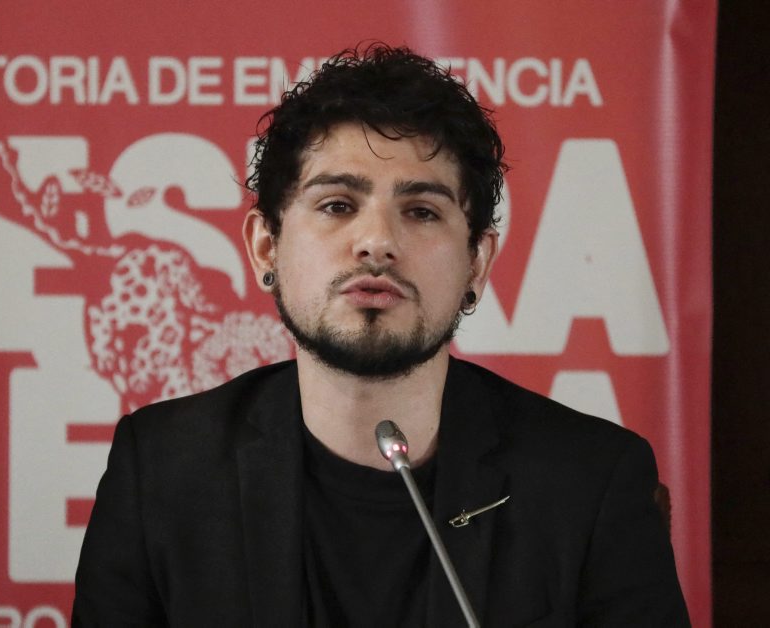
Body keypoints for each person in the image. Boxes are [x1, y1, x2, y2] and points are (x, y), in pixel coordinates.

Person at [72, 44, 690, 627]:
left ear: (476, 264)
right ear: (266, 247)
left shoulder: (591, 482)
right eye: (338, 205)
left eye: (421, 211)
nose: (377, 242)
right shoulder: (160, 471)